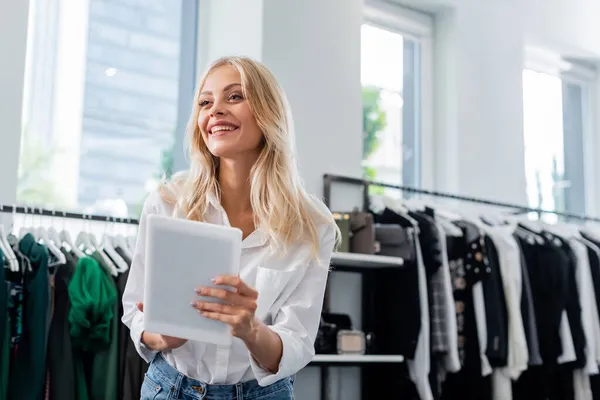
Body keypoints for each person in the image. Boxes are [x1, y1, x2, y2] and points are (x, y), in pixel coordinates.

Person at [121, 56, 339, 400]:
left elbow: (297, 342)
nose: (215, 110)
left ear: (269, 112)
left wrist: (250, 329)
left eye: (234, 97)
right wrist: (161, 336)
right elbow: (134, 310)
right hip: (170, 388)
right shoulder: (167, 202)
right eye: (205, 102)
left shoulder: (312, 224)